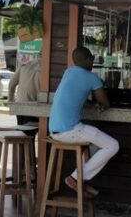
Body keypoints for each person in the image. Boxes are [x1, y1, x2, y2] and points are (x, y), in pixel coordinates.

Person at [48, 47, 118, 196]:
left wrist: (93, 103)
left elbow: (76, 95)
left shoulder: (68, 72)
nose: (93, 61)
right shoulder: (92, 77)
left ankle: (80, 180)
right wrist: (100, 103)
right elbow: (105, 103)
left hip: (54, 130)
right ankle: (75, 177)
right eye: (91, 58)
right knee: (112, 146)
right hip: (71, 130)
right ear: (87, 60)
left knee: (93, 147)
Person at [8, 58, 41, 125]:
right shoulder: (47, 68)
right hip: (35, 107)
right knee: (31, 131)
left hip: (20, 104)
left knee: (22, 132)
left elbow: (11, 84)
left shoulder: (24, 65)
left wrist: (11, 102)